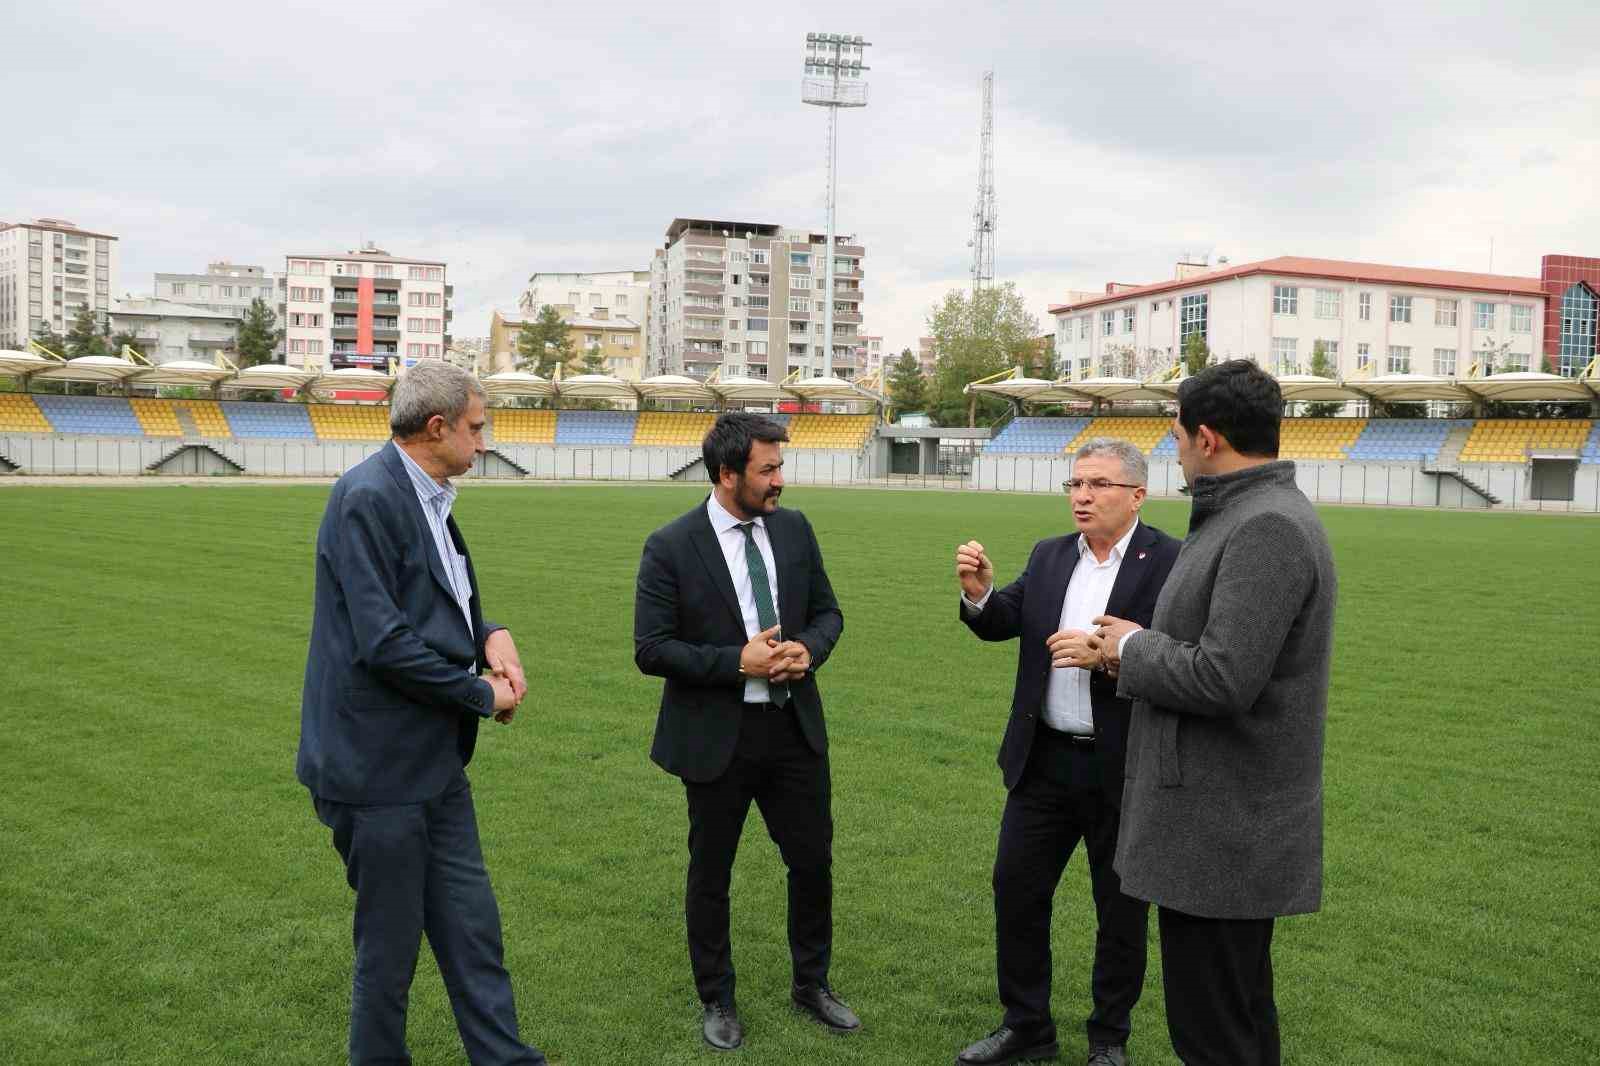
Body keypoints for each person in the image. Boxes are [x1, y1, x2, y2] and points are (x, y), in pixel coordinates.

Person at [296, 361, 546, 1066]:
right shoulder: (367, 497)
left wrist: (489, 632)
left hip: (432, 765)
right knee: (390, 951)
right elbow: (384, 642)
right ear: (437, 428)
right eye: (476, 427)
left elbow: (439, 601)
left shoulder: (431, 495)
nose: (483, 441)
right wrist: (480, 694)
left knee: (473, 932)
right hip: (376, 772)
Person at [1092, 359, 1337, 1066]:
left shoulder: (1266, 526)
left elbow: (1226, 676)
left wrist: (1131, 648)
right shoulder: (1244, 514)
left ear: (1207, 438)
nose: (1174, 451)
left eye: (1176, 436)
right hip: (1212, 826)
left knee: (1215, 1034)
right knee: (1234, 1021)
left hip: (1224, 831)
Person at [953, 439, 1182, 1066]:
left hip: (1124, 767)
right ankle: (1027, 1026)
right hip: (1043, 762)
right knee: (1016, 891)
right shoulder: (1051, 555)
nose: (1082, 496)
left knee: (1120, 911)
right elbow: (1006, 620)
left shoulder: (1171, 561)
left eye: (1098, 484)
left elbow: (1180, 655)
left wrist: (1109, 656)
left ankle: (1109, 1038)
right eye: (1075, 484)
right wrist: (980, 595)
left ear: (1136, 494)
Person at [633, 412, 857, 1051]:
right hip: (717, 740)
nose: (780, 480)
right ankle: (717, 997)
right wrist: (739, 662)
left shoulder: (794, 529)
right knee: (711, 872)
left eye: (781, 466)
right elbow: (651, 649)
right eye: (768, 469)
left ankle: (812, 984)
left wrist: (809, 650)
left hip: (792, 730)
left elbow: (828, 613)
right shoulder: (671, 545)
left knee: (812, 862)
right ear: (728, 474)